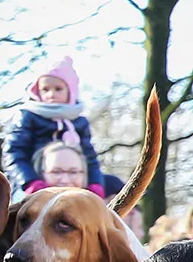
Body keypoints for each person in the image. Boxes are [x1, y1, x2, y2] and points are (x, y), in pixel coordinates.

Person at [7, 55, 123, 199]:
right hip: (32, 183)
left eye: (58, 89)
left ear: (70, 91)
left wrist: (95, 184)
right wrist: (30, 182)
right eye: (45, 89)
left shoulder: (79, 122)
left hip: (73, 183)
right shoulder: (28, 117)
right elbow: (14, 154)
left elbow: (90, 158)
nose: (51, 94)